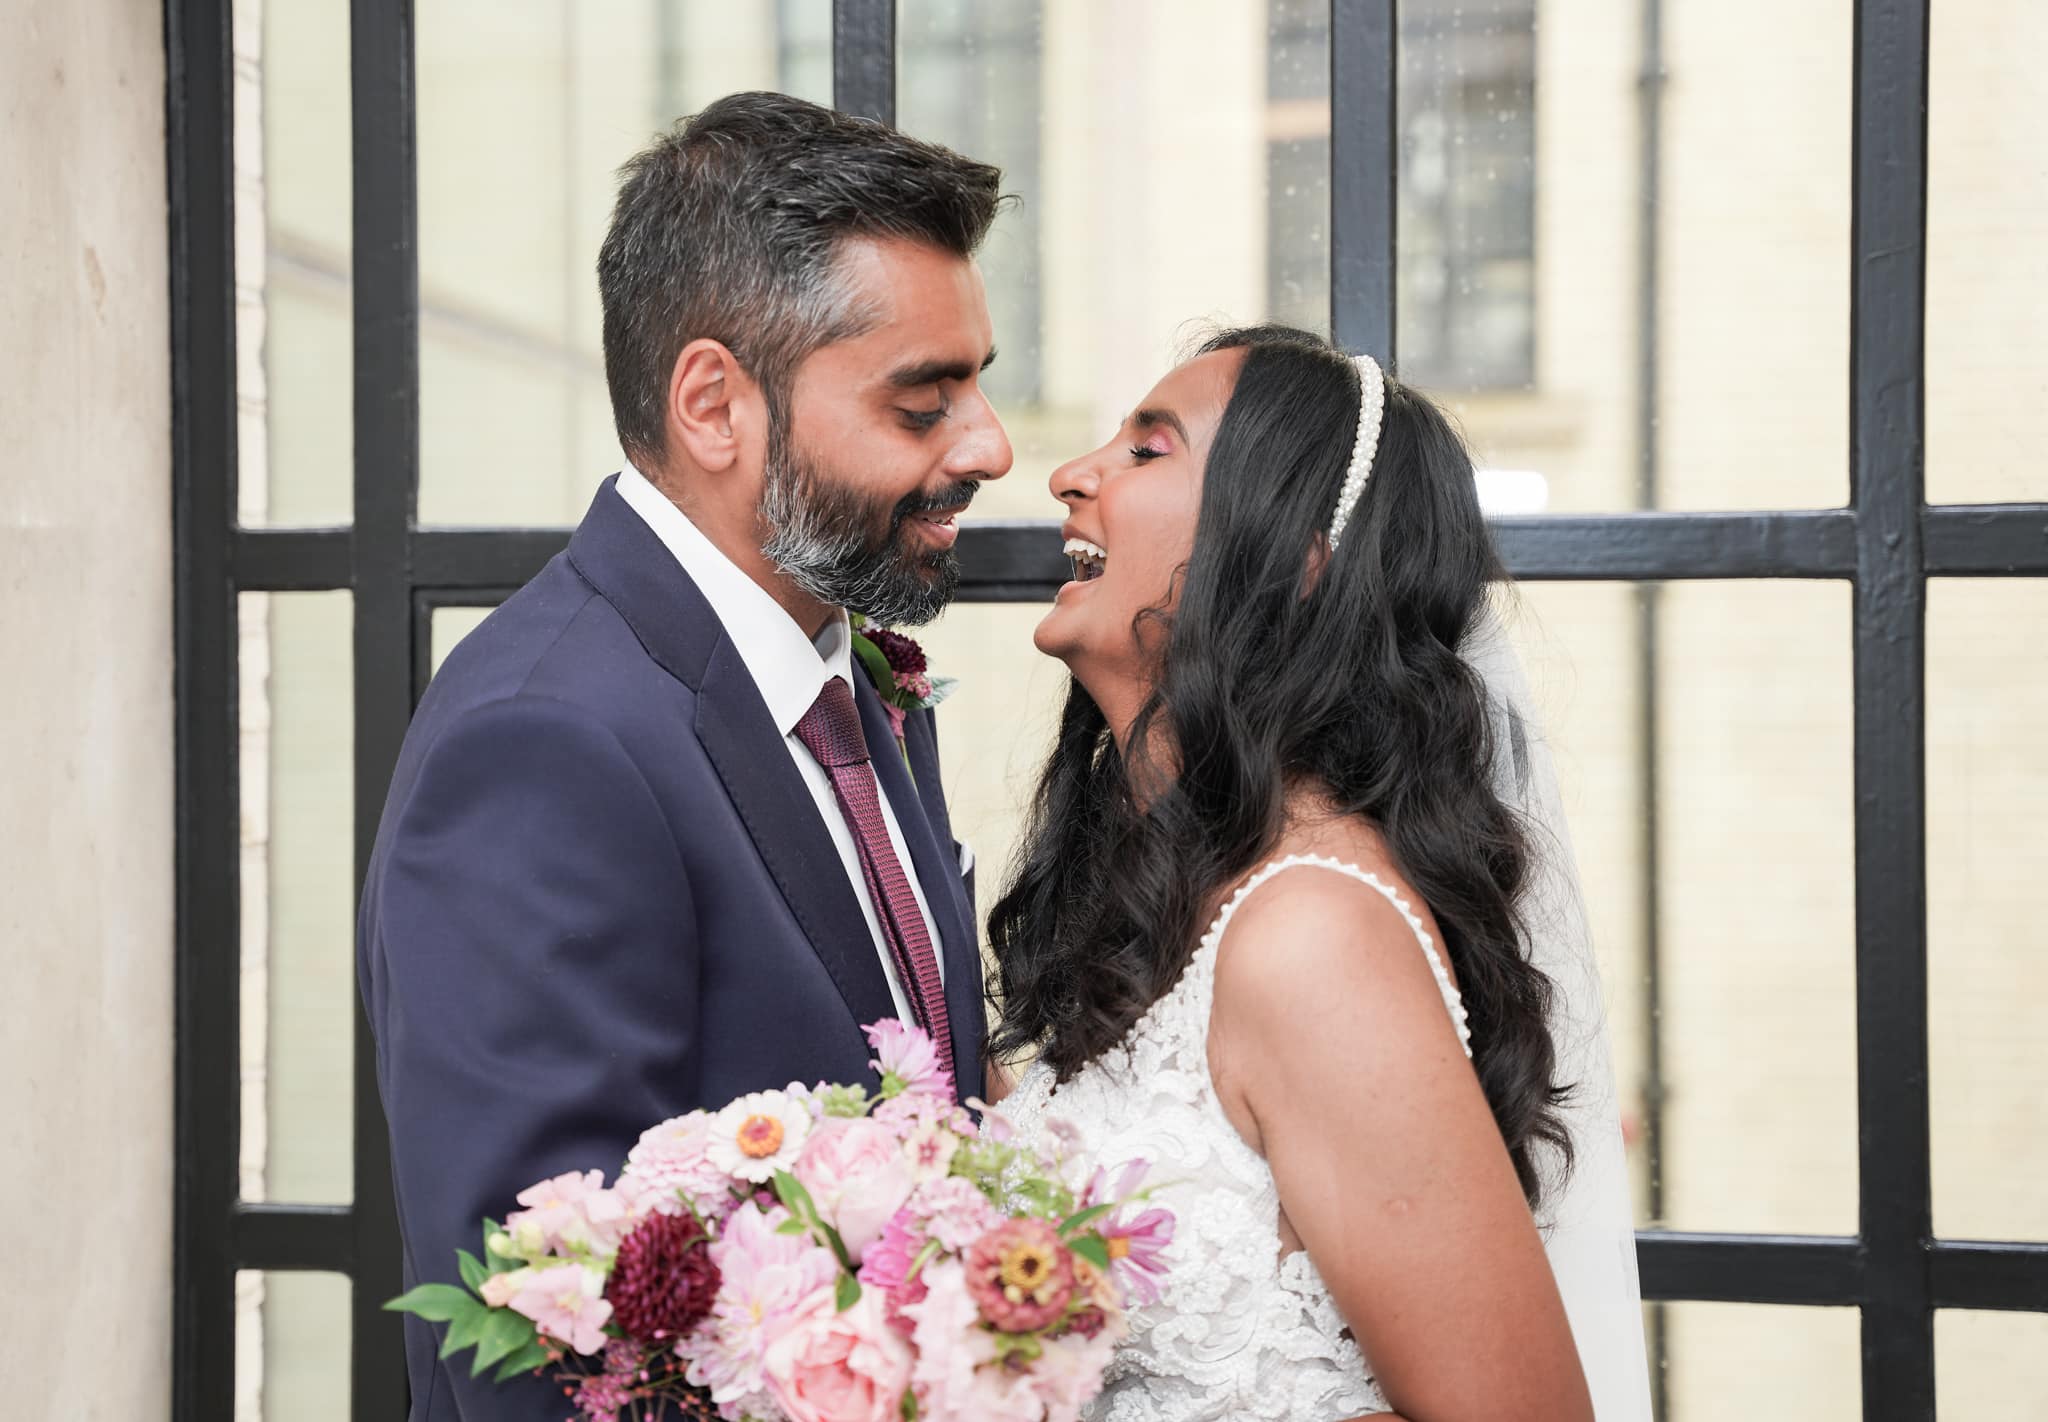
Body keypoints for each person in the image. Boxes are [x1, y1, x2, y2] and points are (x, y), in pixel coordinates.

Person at [357, 92, 1013, 1420]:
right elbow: (536, 1348)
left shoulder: (846, 670)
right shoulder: (543, 745)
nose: (988, 446)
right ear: (715, 403)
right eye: (923, 401)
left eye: (979, 385)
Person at [989, 324, 1652, 1420]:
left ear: (1296, 560)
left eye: (1148, 450)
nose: (1069, 474)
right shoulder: (1173, 893)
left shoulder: (1311, 936)